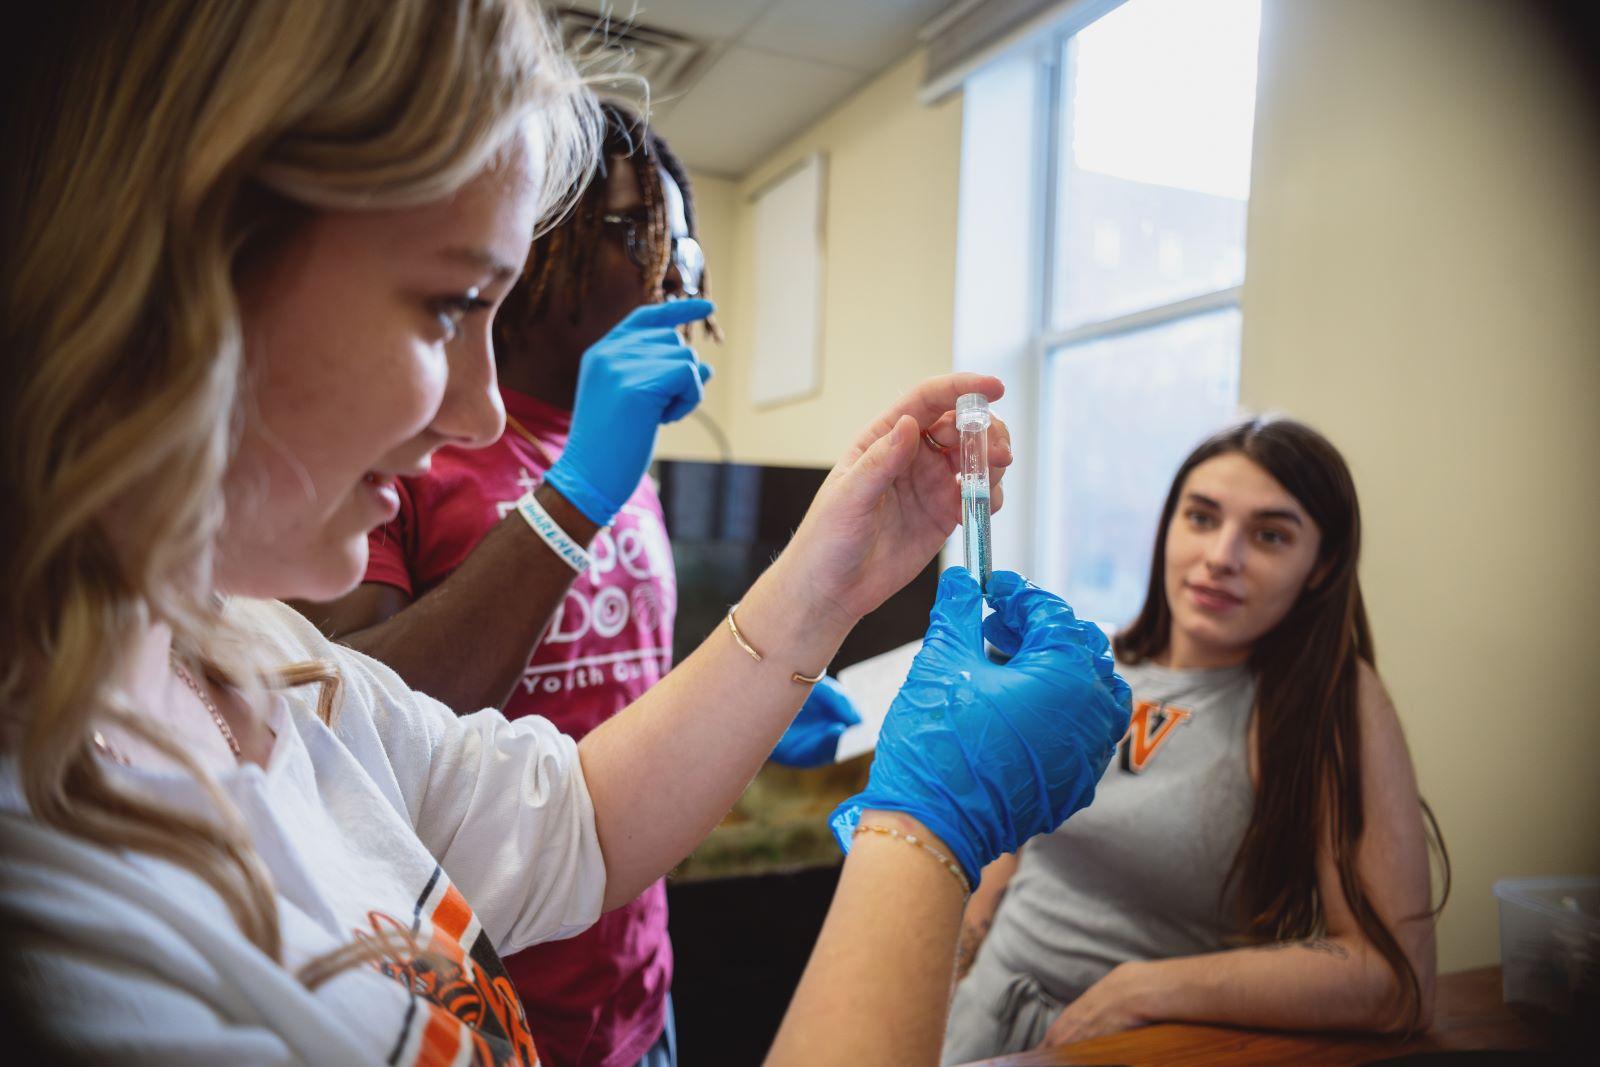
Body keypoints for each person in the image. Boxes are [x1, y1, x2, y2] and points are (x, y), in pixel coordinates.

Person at [0, 2, 1128, 1064]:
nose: (474, 408)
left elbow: (570, 811)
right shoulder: (65, 920)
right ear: (171, 262)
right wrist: (927, 831)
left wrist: (825, 589)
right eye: (447, 305)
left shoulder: (247, 655)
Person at [288, 101, 856, 1067]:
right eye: (642, 229)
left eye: (684, 237)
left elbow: (597, 662)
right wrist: (572, 497)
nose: (676, 264)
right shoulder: (417, 442)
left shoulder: (621, 447)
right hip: (494, 1007)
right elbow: (350, 731)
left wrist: (742, 705)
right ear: (538, 238)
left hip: (638, 989)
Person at [942, 417, 1450, 1063]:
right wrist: (949, 969)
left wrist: (1142, 989)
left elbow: (1393, 978)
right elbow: (1012, 848)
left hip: (1137, 1043)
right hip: (979, 1023)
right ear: (1168, 527)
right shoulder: (1092, 665)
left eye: (1269, 535)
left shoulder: (1330, 701)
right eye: (1202, 518)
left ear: (1320, 565)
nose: (1221, 556)